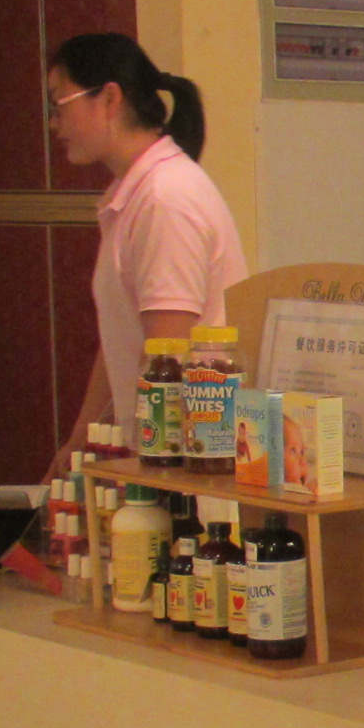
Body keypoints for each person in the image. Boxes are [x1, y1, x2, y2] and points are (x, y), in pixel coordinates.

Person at [48, 32, 249, 471]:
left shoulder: (165, 198)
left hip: (194, 461)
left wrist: (134, 470)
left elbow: (166, 355)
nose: (54, 125)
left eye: (59, 104)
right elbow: (122, 337)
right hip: (165, 451)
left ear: (109, 98)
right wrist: (81, 442)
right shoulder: (135, 192)